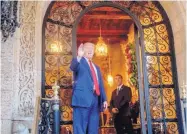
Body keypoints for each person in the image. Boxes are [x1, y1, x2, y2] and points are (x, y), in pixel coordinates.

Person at [70, 42, 108, 134]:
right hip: (82, 99)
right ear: (83, 50)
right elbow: (73, 67)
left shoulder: (96, 67)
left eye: (92, 48)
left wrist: (104, 99)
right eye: (87, 48)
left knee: (93, 129)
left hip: (95, 100)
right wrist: (78, 56)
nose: (90, 50)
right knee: (80, 129)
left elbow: (100, 84)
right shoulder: (79, 63)